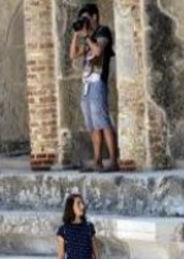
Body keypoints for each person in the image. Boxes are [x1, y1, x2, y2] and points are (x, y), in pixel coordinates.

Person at [69, 3, 118, 172]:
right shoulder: (87, 36)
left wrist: (88, 37)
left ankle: (113, 160)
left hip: (98, 82)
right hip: (87, 84)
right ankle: (97, 160)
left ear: (94, 16)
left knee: (103, 121)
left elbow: (98, 51)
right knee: (92, 125)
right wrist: (77, 34)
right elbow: (73, 55)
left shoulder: (103, 32)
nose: (84, 21)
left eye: (86, 18)